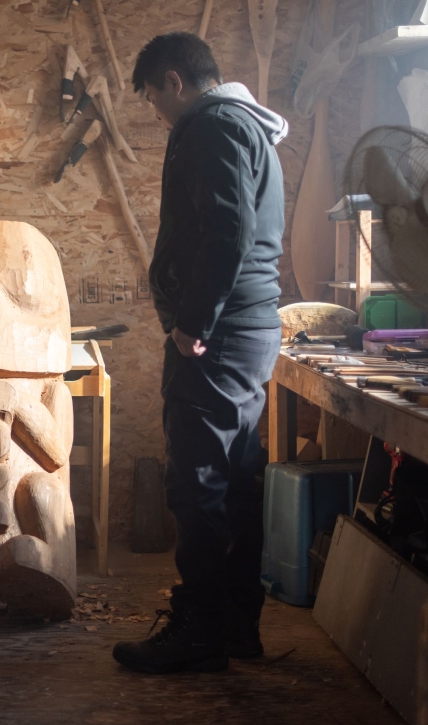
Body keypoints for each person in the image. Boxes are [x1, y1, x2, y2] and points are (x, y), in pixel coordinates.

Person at [113, 32, 288, 673]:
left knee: (197, 481)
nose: (156, 112)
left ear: (174, 81)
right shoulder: (244, 124)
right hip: (245, 328)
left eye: (152, 97)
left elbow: (228, 230)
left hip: (219, 335)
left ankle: (200, 631)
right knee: (234, 479)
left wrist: (193, 323)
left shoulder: (213, 126)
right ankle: (235, 626)